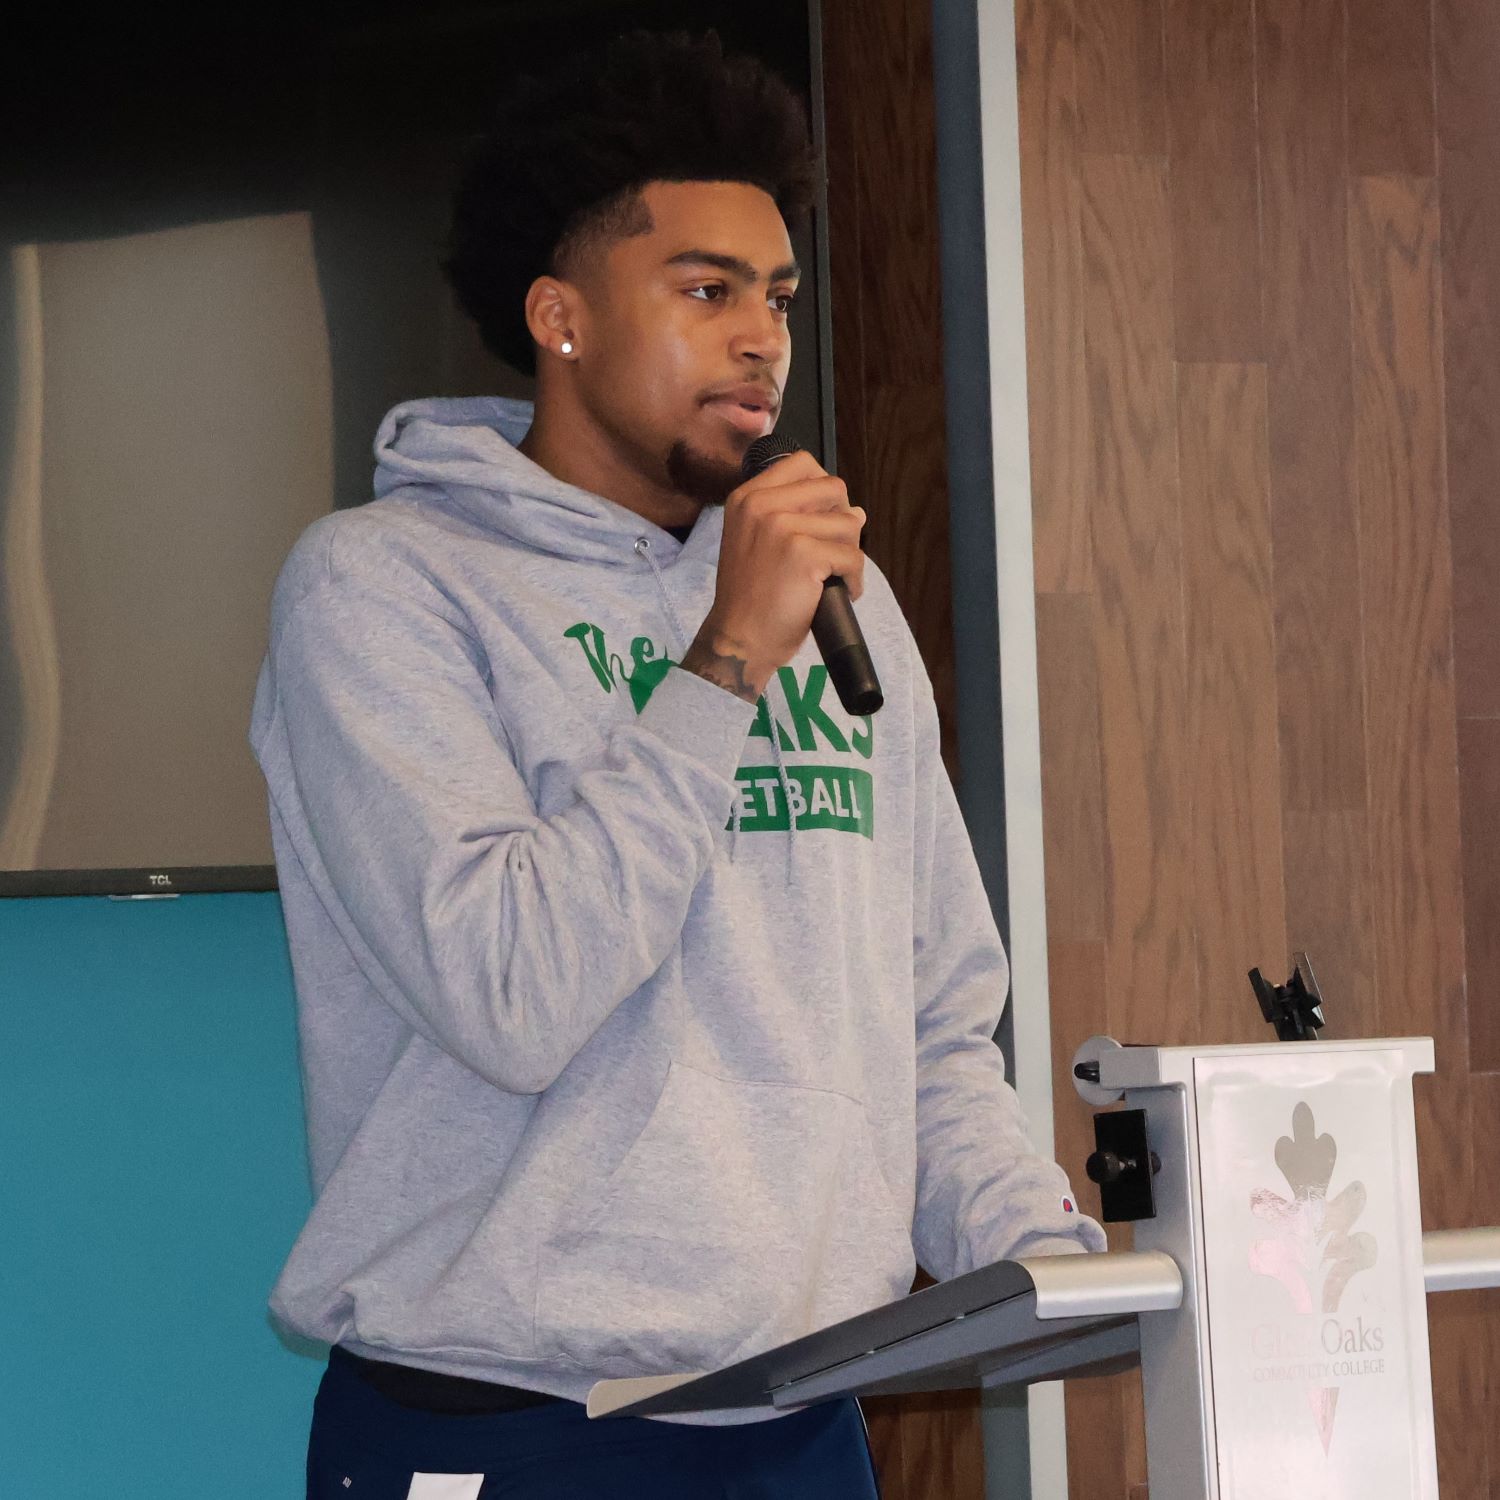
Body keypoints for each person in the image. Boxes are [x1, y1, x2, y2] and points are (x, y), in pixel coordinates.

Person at [249, 28, 1104, 1499]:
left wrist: (1037, 1262)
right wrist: (718, 664)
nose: (764, 337)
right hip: (509, 1423)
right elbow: (509, 990)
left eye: (775, 294)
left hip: (803, 1417)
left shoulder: (848, 602)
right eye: (706, 292)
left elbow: (930, 1023)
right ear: (560, 317)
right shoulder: (382, 589)